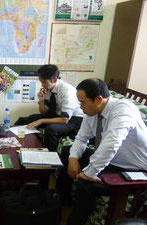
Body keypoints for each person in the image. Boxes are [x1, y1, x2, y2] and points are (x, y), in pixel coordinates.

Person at [56, 78, 147, 225]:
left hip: (135, 170)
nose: (81, 107)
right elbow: (81, 138)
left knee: (85, 184)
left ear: (98, 99)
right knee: (68, 153)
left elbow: (111, 145)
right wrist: (73, 159)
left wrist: (88, 173)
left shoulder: (123, 110)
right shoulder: (93, 112)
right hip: (114, 160)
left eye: (83, 103)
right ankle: (61, 203)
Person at [23, 64, 83, 151]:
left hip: (73, 120)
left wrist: (41, 121)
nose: (42, 85)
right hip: (58, 116)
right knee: (32, 118)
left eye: (44, 82)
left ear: (54, 79)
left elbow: (64, 120)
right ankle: (33, 146)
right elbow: (44, 113)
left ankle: (51, 156)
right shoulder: (49, 89)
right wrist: (41, 101)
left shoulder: (66, 91)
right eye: (41, 81)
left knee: (51, 128)